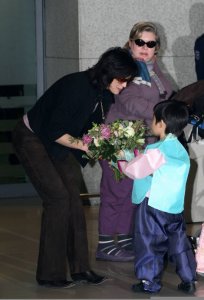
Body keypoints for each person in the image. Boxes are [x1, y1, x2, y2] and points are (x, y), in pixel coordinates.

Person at [12, 47, 138, 288]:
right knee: (58, 198)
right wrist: (85, 146)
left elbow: (91, 129)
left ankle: (81, 269)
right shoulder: (76, 87)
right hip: (32, 137)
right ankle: (50, 274)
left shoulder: (105, 94)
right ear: (108, 72)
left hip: (60, 142)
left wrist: (108, 143)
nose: (124, 86)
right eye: (123, 80)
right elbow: (55, 130)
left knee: (73, 198)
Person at [96, 22, 173, 262]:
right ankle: (106, 244)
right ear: (131, 43)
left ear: (156, 48)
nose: (144, 47)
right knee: (115, 191)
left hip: (140, 142)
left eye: (150, 44)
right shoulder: (127, 68)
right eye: (140, 42)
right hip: (119, 141)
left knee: (133, 192)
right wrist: (162, 112)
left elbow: (167, 95)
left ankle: (127, 239)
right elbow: (129, 102)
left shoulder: (154, 70)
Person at [117, 100, 197, 294]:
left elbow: (135, 170)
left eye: (153, 119)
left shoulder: (156, 150)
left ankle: (149, 282)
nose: (151, 122)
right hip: (174, 207)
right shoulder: (180, 150)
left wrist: (122, 158)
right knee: (179, 243)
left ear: (161, 124)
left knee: (148, 242)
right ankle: (188, 279)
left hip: (152, 206)